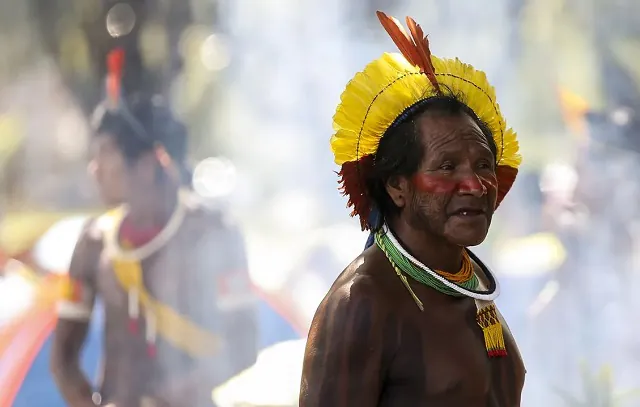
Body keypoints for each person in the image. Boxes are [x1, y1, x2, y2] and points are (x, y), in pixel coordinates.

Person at [300, 11, 525, 407]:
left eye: (484, 164)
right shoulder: (363, 303)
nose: (475, 185)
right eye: (447, 166)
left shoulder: (467, 287)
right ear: (397, 187)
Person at [50, 49, 258, 407]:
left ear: (147, 164)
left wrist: (171, 397)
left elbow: (242, 346)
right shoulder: (94, 242)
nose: (94, 169)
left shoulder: (213, 232)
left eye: (104, 155)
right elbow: (63, 358)